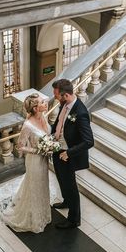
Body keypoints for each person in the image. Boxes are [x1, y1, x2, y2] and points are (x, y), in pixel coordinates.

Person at [0, 93, 53, 233]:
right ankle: (33, 218)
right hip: (34, 160)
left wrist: (50, 145)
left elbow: (47, 135)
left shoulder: (42, 117)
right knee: (35, 186)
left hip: (43, 159)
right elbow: (20, 146)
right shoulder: (28, 125)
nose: (45, 103)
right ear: (35, 108)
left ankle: (43, 213)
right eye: (41, 102)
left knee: (43, 184)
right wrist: (38, 150)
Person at [52, 79, 94, 229]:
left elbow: (89, 141)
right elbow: (59, 123)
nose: (55, 97)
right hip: (57, 148)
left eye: (57, 95)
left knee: (71, 186)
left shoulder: (81, 113)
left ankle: (74, 219)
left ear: (66, 95)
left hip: (68, 154)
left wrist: (68, 153)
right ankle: (66, 201)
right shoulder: (64, 104)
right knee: (61, 180)